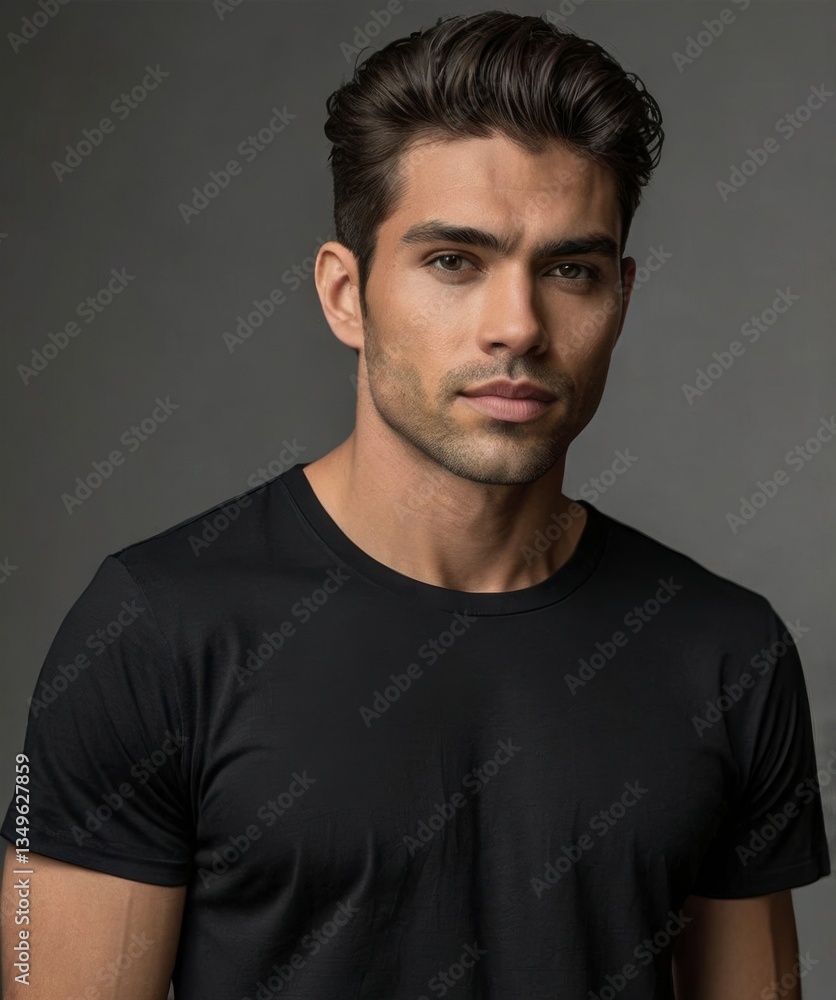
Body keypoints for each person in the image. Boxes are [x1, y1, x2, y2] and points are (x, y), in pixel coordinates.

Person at [1, 10, 830, 999]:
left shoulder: (725, 653)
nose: (515, 325)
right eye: (453, 261)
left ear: (620, 297)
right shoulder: (151, 632)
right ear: (345, 294)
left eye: (569, 269)